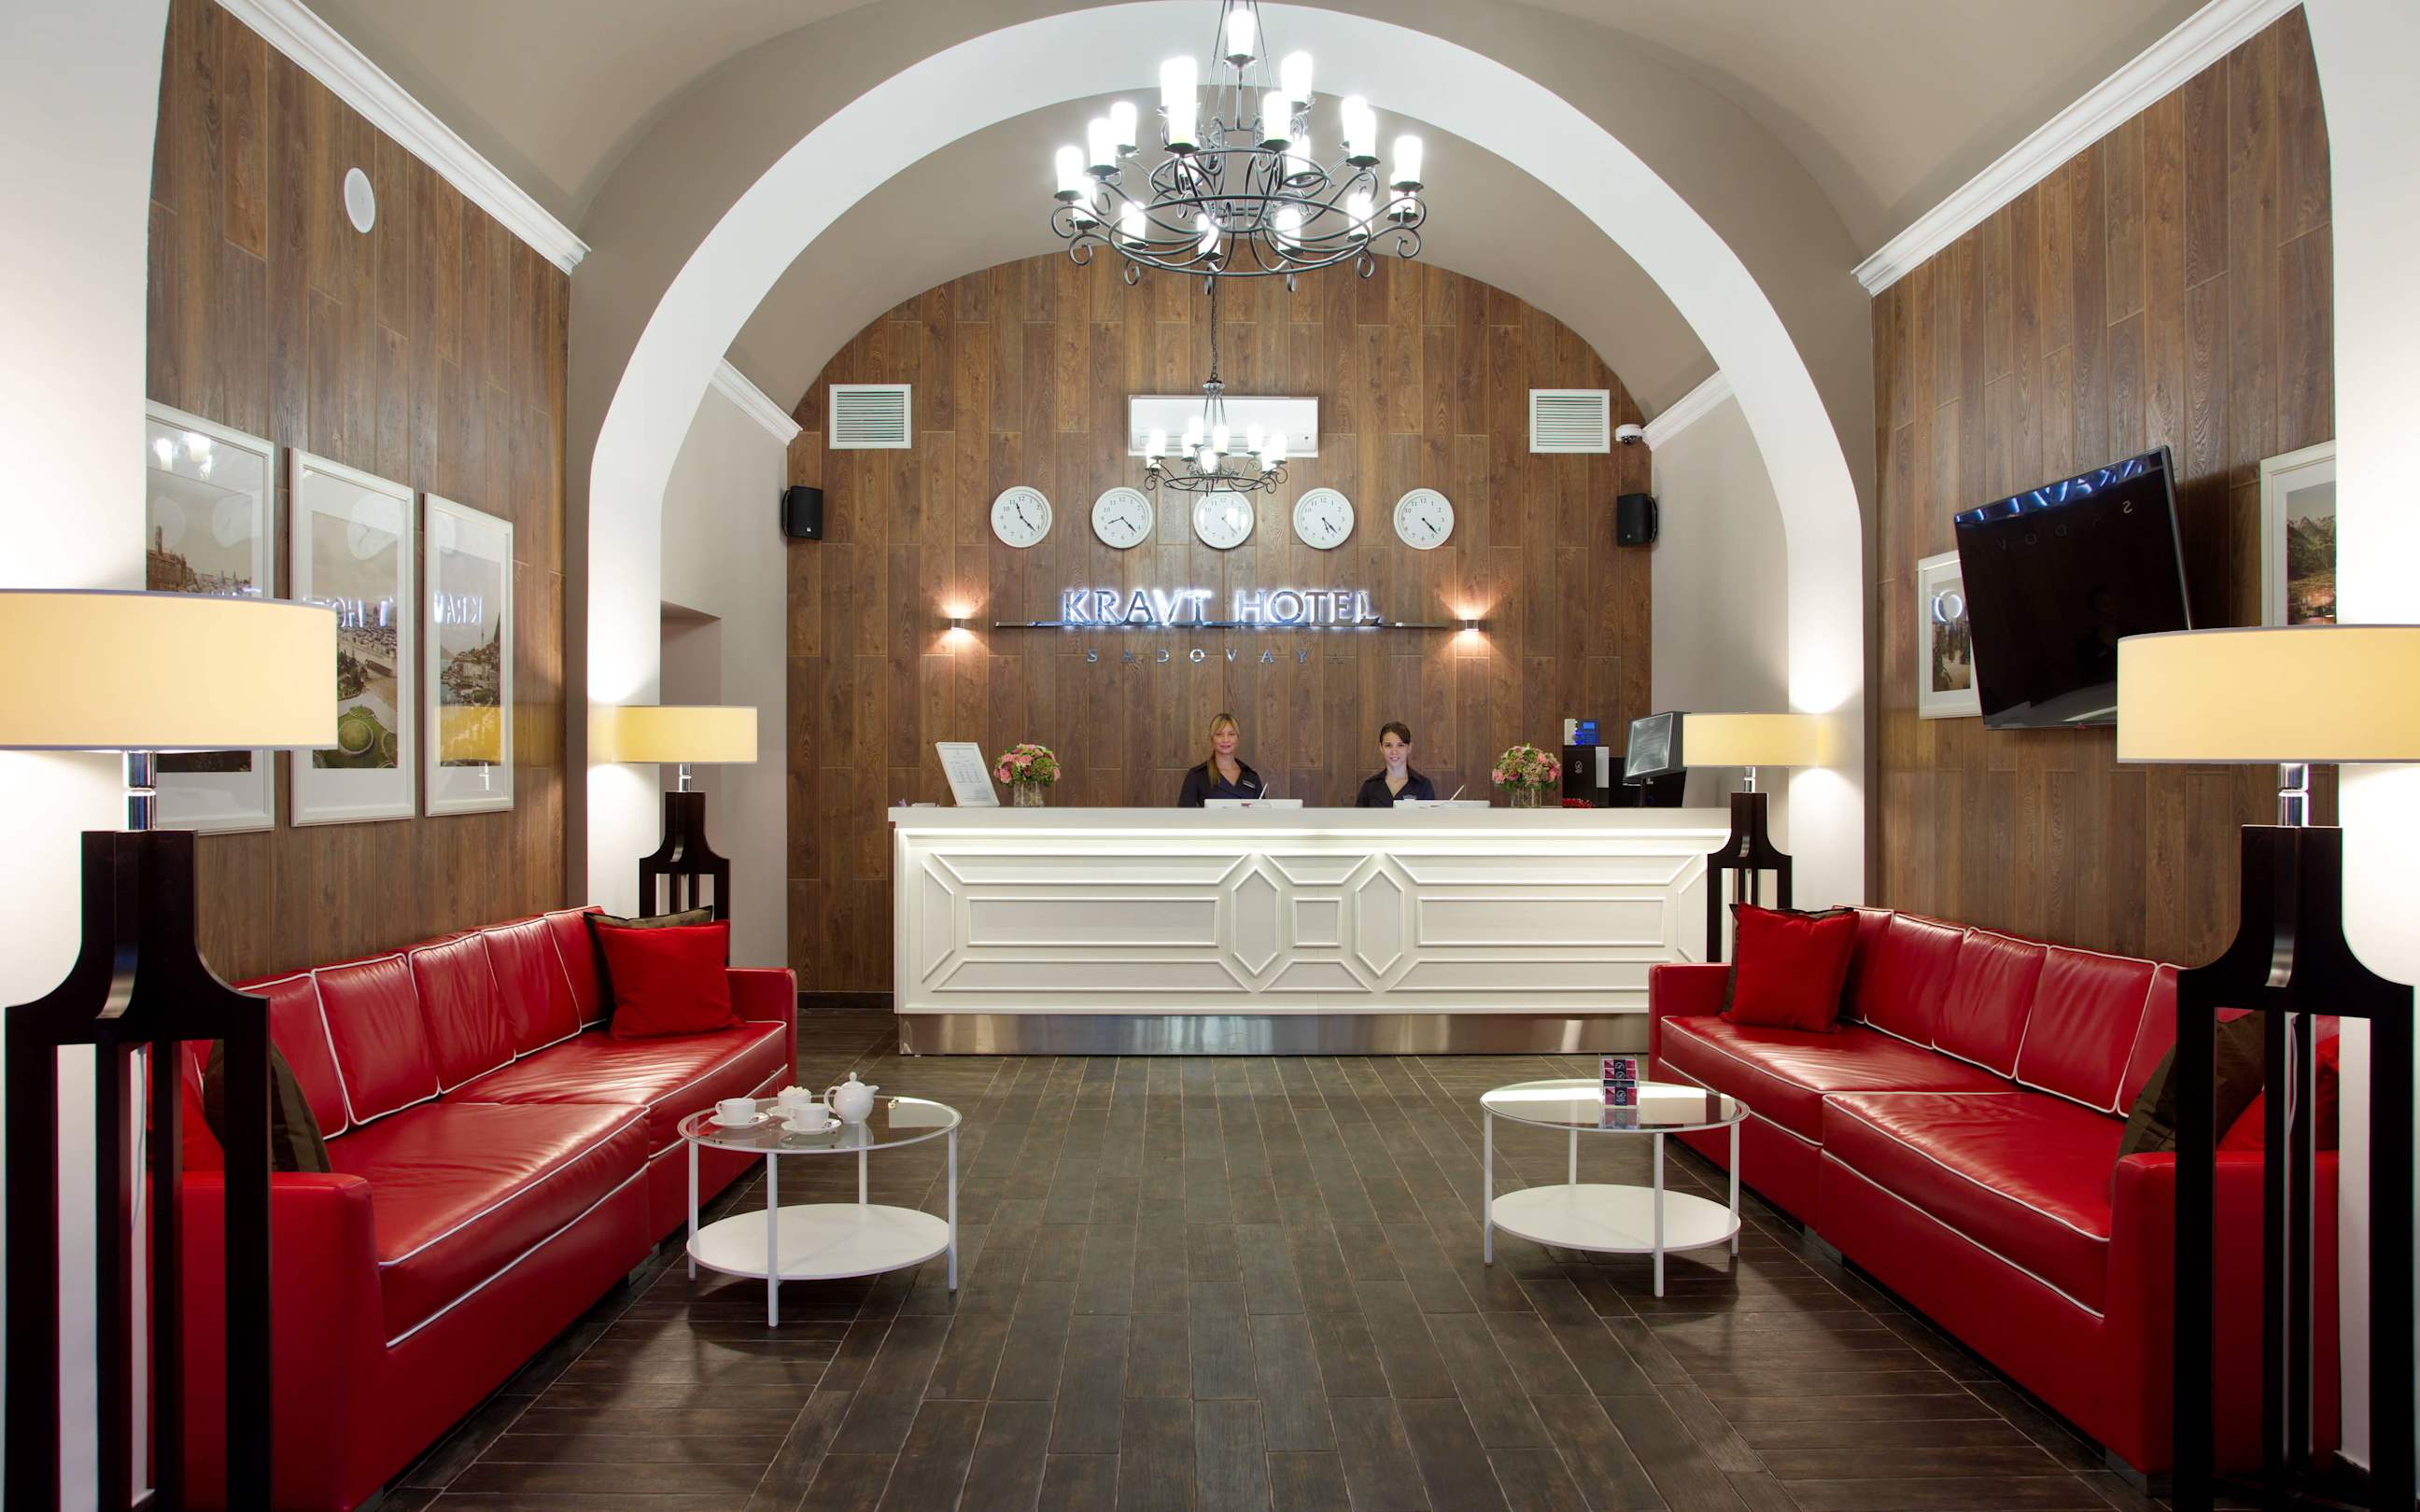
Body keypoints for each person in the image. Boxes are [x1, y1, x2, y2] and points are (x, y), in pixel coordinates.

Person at [1176, 710, 1265, 805]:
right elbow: (1184, 813)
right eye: (1219, 734)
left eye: (1231, 734)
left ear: (1238, 739)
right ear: (1212, 739)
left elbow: (1265, 811)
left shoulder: (1251, 776)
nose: (1225, 740)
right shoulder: (1197, 775)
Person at [1354, 721, 1436, 806]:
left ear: (1409, 747)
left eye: (1400, 745)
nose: (1394, 751)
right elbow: (1358, 815)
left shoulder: (1423, 786)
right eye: (1388, 745)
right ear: (1381, 747)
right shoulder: (1370, 787)